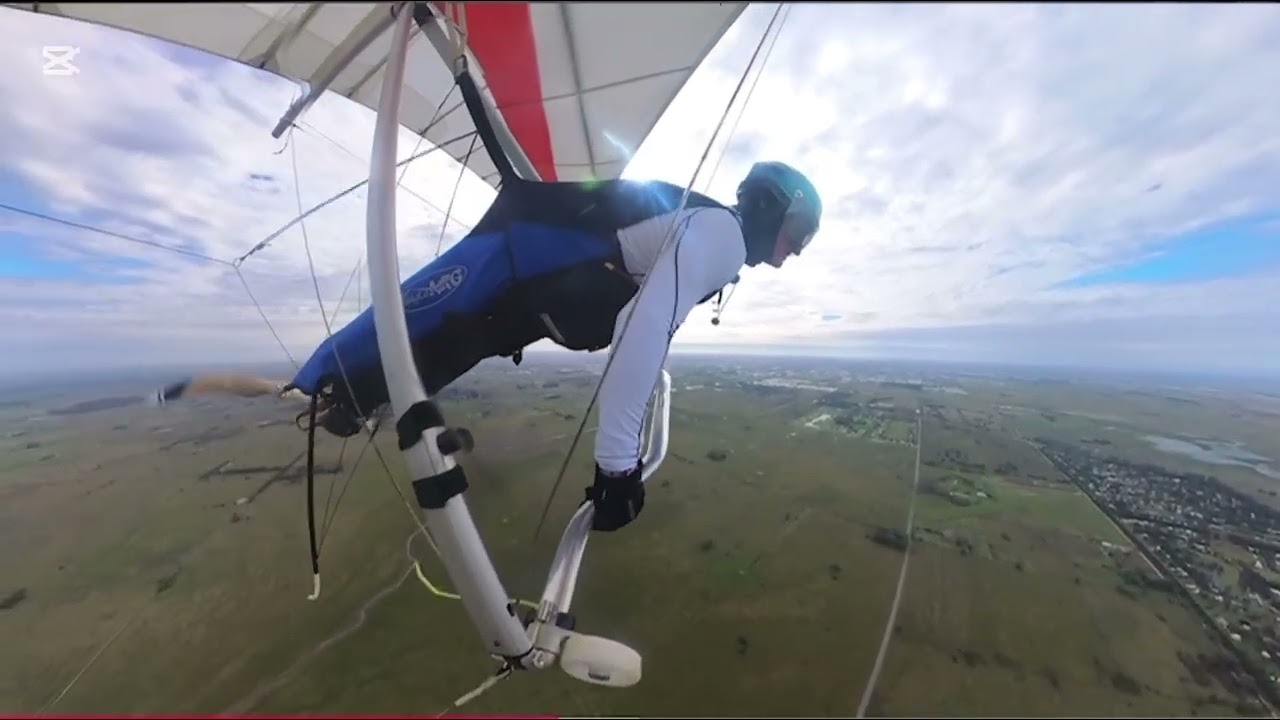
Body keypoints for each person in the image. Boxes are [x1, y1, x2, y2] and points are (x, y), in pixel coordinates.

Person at [153, 161, 822, 533]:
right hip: (516, 256)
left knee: (457, 340)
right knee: (385, 335)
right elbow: (642, 331)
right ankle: (311, 386)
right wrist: (616, 466)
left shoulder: (713, 237)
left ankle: (346, 393)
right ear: (772, 214)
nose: (790, 257)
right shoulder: (723, 236)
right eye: (796, 237)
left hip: (532, 291)